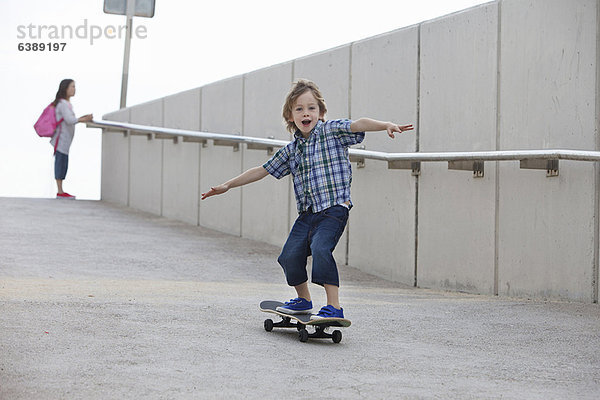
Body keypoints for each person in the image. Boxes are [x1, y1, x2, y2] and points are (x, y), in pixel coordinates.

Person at [201, 79, 413, 319]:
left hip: (334, 209)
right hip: (308, 213)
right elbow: (262, 169)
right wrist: (228, 185)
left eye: (311, 108)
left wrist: (386, 124)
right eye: (299, 109)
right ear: (290, 116)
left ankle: (334, 306)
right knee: (289, 255)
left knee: (321, 248)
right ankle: (303, 300)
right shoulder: (292, 150)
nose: (306, 113)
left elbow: (358, 124)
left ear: (320, 113)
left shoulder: (331, 131)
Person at [50, 79, 93, 199]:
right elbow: (69, 120)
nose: (74, 89)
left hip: (65, 140)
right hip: (61, 139)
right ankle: (60, 190)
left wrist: (82, 118)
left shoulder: (66, 103)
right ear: (65, 88)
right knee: (61, 162)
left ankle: (61, 190)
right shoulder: (63, 104)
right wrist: (82, 119)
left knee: (63, 162)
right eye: (72, 86)